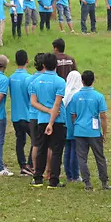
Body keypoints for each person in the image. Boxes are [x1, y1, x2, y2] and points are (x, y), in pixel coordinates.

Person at [29, 53, 67, 188]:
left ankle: (38, 178)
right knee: (56, 151)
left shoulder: (35, 81)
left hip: (41, 120)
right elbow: (57, 104)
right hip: (57, 120)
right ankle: (53, 180)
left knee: (41, 149)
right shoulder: (60, 81)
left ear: (43, 65)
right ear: (56, 65)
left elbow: (33, 102)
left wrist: (46, 111)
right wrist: (51, 118)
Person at [70, 70, 110, 190]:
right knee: (100, 157)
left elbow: (73, 115)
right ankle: (104, 182)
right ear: (94, 80)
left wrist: (77, 125)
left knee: (82, 158)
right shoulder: (98, 96)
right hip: (94, 131)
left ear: (82, 81)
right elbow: (103, 116)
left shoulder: (75, 96)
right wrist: (104, 132)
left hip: (79, 131)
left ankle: (87, 183)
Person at [8, 50, 33, 176]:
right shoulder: (29, 78)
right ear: (27, 61)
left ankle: (22, 165)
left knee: (20, 140)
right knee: (36, 141)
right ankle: (29, 165)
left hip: (15, 115)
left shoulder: (11, 78)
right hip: (27, 115)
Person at [63, 71, 84, 184]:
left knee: (67, 150)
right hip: (75, 126)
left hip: (65, 126)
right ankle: (75, 175)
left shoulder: (65, 93)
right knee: (75, 151)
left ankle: (68, 174)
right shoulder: (77, 95)